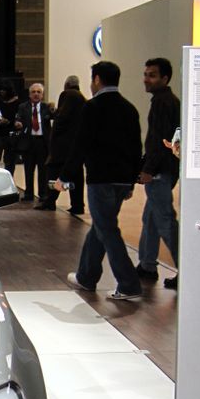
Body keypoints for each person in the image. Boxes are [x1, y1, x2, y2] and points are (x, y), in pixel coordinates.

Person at [55, 60, 143, 301]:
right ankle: (86, 276)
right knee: (101, 226)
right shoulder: (129, 108)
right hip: (122, 180)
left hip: (101, 179)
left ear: (96, 80)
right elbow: (136, 147)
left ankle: (128, 284)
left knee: (107, 229)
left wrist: (64, 176)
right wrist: (132, 180)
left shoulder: (92, 107)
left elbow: (80, 144)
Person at [136, 57, 181, 291]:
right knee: (151, 218)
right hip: (164, 169)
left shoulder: (163, 103)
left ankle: (188, 271)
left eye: (152, 75)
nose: (146, 79)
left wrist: (148, 169)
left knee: (165, 221)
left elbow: (159, 140)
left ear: (165, 78)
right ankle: (147, 264)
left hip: (161, 171)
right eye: (146, 74)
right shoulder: (166, 100)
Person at [39, 74, 86, 213]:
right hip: (76, 145)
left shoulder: (67, 94)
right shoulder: (82, 98)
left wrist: (54, 134)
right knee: (75, 176)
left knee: (53, 173)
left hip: (62, 146)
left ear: (67, 85)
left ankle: (50, 200)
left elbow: (62, 118)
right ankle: (78, 205)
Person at [14, 82, 51, 203]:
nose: (36, 94)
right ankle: (29, 193)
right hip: (28, 142)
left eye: (38, 92)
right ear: (29, 94)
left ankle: (43, 194)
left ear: (42, 95)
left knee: (43, 170)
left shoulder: (46, 107)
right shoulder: (23, 107)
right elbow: (18, 118)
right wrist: (18, 123)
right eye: (33, 92)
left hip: (42, 142)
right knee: (28, 169)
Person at [0, 79, 20, 170]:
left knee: (10, 161)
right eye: (1, 89)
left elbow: (19, 118)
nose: (2, 92)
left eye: (4, 90)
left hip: (10, 135)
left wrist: (9, 122)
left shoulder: (17, 103)